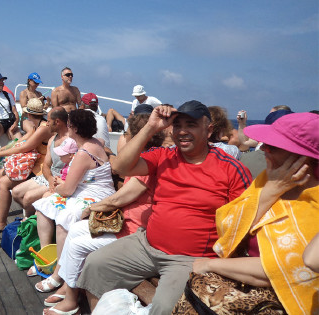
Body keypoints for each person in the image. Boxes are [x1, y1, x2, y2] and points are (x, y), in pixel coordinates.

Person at [77, 100, 252, 314]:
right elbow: (120, 166)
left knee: (165, 307)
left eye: (191, 125)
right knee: (96, 264)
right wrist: (151, 126)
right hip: (146, 244)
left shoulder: (231, 169)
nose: (182, 131)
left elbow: (243, 224)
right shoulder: (164, 156)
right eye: (177, 125)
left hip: (189, 259)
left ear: (209, 130)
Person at [192, 112, 319, 315]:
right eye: (265, 144)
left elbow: (281, 269)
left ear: (304, 159)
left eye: (273, 147)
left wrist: (210, 264)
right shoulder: (266, 180)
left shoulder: (314, 203)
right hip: (242, 283)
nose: (264, 150)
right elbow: (228, 224)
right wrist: (271, 191)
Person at [42, 113, 164, 315]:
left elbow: (118, 199)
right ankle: (67, 286)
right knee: (75, 230)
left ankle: (71, 299)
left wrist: (90, 209)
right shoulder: (144, 160)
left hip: (133, 231)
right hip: (127, 222)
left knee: (79, 242)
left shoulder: (147, 165)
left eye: (126, 133)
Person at [33, 109, 116, 293]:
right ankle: (49, 258)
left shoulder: (83, 153)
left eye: (69, 125)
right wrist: (61, 185)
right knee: (43, 206)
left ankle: (58, 273)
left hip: (95, 196)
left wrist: (58, 185)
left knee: (65, 219)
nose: (67, 128)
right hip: (85, 190)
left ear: (75, 128)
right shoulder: (93, 142)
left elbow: (68, 189)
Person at [0, 98, 53, 233]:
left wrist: (2, 153)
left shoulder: (42, 129)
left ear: (28, 114)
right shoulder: (38, 125)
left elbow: (26, 146)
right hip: (35, 164)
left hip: (40, 168)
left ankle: (1, 222)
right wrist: (3, 149)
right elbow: (22, 140)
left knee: (4, 182)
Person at [9, 107, 69, 221]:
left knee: (27, 198)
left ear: (57, 122)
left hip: (61, 179)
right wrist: (50, 178)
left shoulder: (72, 139)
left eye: (49, 121)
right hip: (49, 177)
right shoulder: (52, 139)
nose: (46, 124)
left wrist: (54, 181)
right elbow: (46, 165)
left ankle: (34, 221)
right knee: (16, 193)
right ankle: (36, 219)